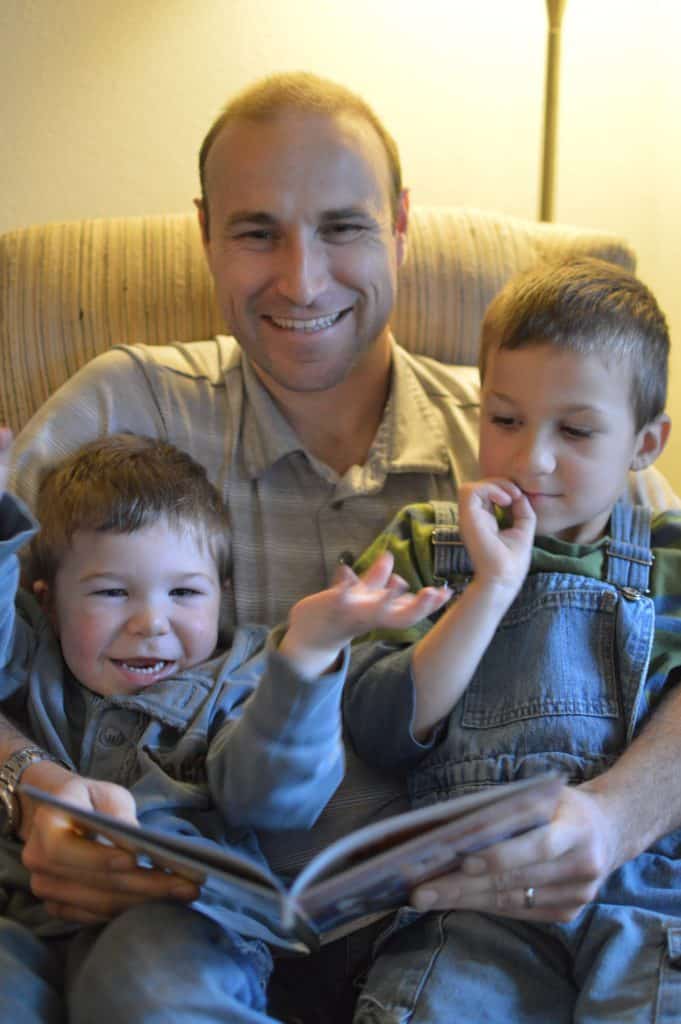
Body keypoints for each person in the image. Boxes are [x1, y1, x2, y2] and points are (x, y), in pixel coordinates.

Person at [4, 70, 681, 1017]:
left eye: (342, 226)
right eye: (255, 232)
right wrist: (27, 787)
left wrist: (615, 820)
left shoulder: (527, 427)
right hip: (168, 916)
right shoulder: (124, 404)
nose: (302, 278)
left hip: (453, 934)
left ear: (400, 223)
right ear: (205, 231)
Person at [0, 429, 447, 1023]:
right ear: (49, 602)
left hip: (187, 920)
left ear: (223, 598)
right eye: (110, 592)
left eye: (184, 592)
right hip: (27, 919)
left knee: (146, 990)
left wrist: (308, 657)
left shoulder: (248, 677)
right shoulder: (33, 658)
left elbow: (271, 797)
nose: (151, 622)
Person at [343, 257, 681, 1022]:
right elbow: (376, 728)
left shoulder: (670, 558)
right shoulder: (425, 545)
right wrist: (489, 589)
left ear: (644, 442)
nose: (531, 459)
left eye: (576, 430)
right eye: (504, 419)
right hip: (473, 901)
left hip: (647, 896)